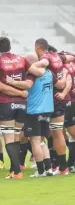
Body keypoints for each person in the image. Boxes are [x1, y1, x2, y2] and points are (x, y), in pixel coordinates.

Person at [29, 38, 75, 175]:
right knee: (57, 132)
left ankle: (62, 167)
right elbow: (71, 57)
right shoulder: (59, 56)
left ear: (37, 48)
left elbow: (42, 64)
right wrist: (66, 71)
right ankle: (56, 165)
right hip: (64, 99)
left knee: (56, 133)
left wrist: (25, 66)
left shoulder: (46, 58)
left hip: (55, 99)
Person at [0, 37, 32, 179]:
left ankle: (17, 172)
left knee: (8, 138)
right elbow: (31, 77)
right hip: (22, 104)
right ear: (10, 47)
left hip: (7, 103)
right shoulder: (21, 59)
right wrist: (22, 92)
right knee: (16, 137)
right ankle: (14, 170)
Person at [23, 53, 54, 177]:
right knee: (41, 141)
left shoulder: (31, 74)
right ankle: (48, 168)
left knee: (35, 141)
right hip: (47, 110)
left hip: (34, 110)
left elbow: (25, 91)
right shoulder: (49, 73)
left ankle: (40, 171)